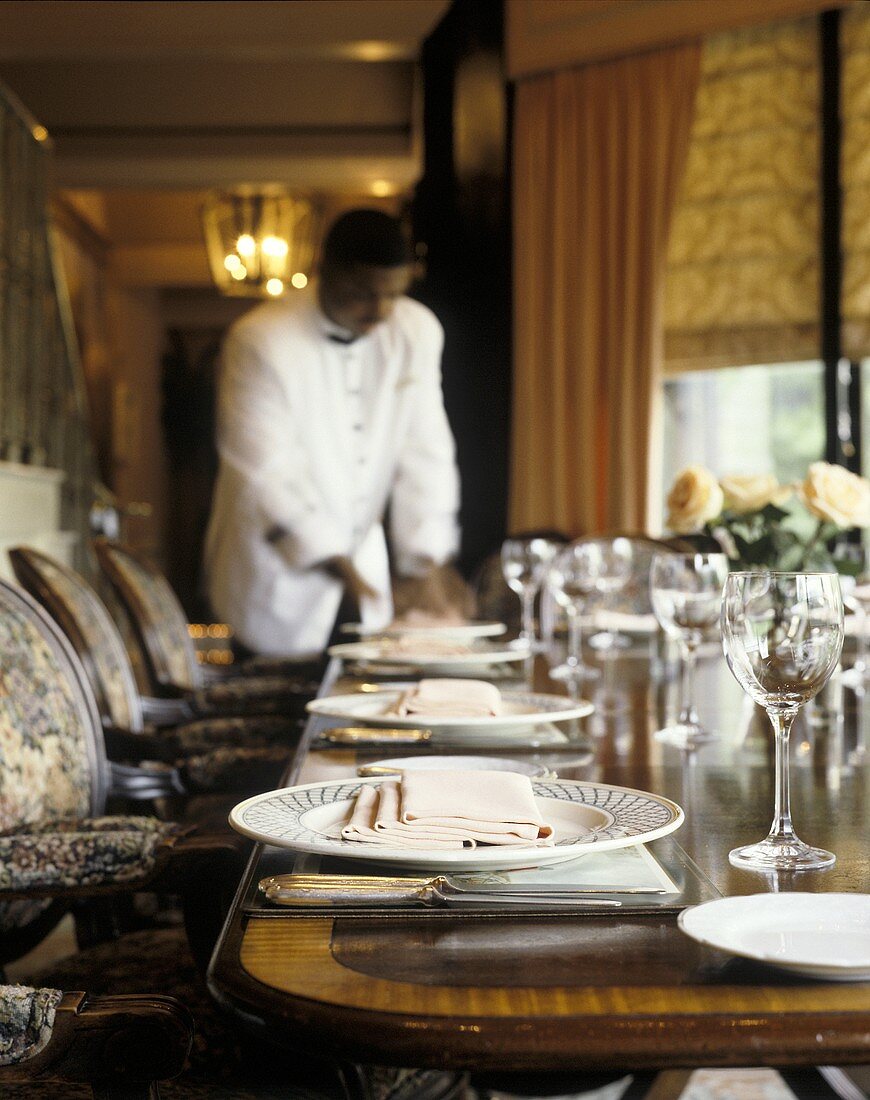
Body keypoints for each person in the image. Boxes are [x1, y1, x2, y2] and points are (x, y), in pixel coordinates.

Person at [203, 208, 464, 657]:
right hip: (272, 574)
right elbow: (264, 472)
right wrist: (341, 566)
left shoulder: (415, 330)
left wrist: (426, 559)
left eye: (393, 295)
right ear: (324, 271)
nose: (380, 312)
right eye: (362, 294)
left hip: (364, 569)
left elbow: (427, 448)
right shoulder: (260, 339)